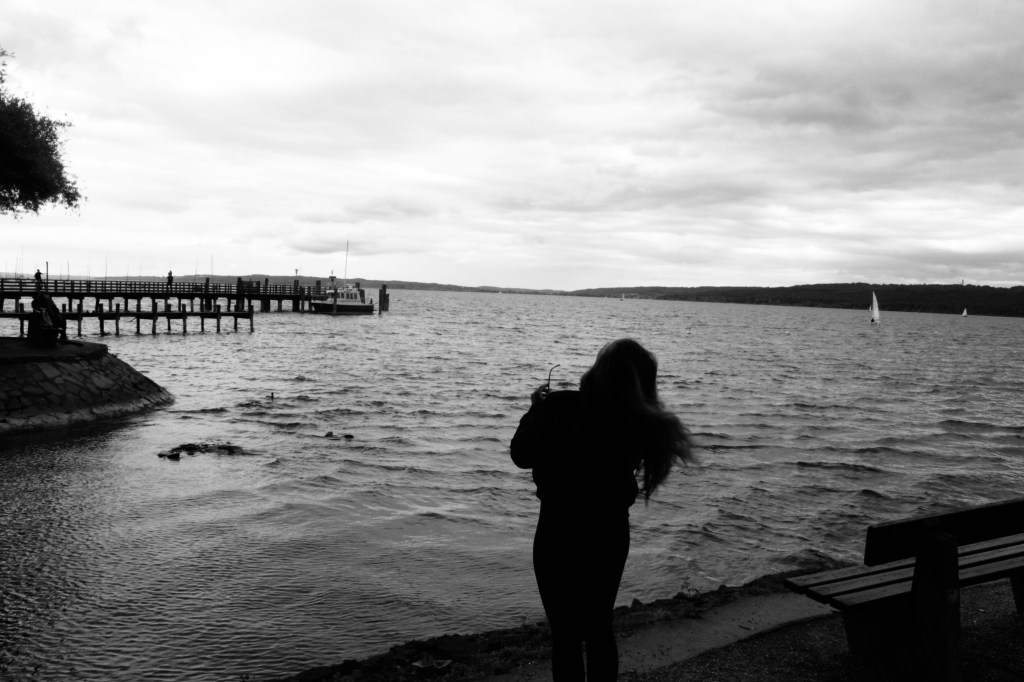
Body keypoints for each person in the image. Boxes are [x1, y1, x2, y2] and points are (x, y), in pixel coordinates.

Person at [510, 339, 693, 681]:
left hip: (558, 531)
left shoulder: (562, 405)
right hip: (609, 534)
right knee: (598, 628)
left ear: (599, 370)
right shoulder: (639, 422)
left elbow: (521, 455)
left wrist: (536, 410)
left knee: (565, 635)